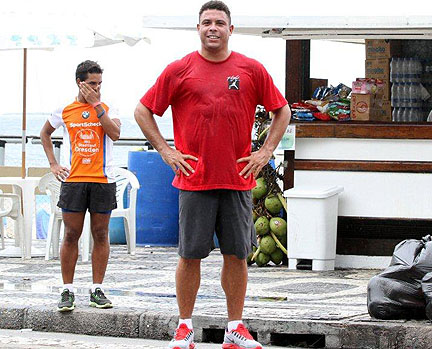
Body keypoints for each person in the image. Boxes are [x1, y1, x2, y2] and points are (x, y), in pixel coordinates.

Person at [134, 2, 291, 349]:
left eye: (220, 22)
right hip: (195, 180)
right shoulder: (180, 69)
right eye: (207, 22)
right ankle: (185, 327)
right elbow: (143, 110)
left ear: (230, 29)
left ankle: (235, 328)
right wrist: (166, 150)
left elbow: (283, 111)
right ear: (198, 28)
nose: (213, 28)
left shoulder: (251, 69)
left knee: (236, 254)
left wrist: (265, 152)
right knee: (189, 255)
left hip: (237, 180)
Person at [40, 60, 121, 312]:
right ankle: (67, 289)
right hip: (74, 181)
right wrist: (53, 164)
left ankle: (97, 288)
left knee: (100, 234)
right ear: (80, 82)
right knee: (71, 234)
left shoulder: (107, 107)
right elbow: (44, 133)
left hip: (102, 180)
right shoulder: (64, 109)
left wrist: (97, 106)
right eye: (92, 83)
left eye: (99, 84)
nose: (97, 88)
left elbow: (115, 134)